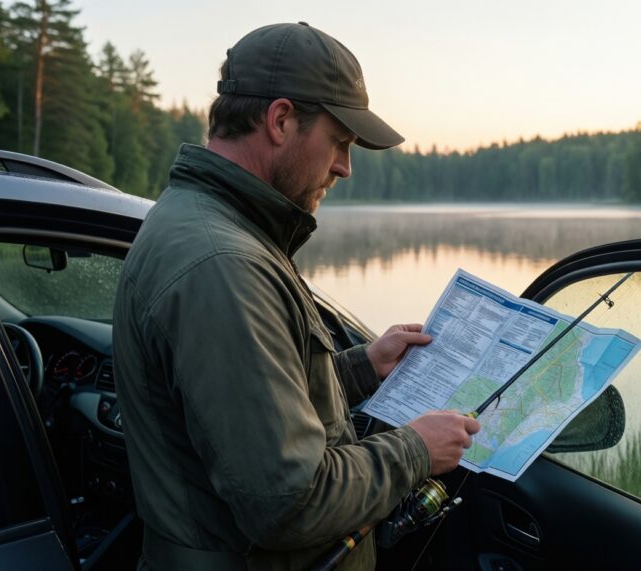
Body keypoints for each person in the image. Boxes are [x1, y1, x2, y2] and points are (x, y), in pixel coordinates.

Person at [112, 22, 481, 571]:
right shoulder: (224, 265)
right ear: (281, 120)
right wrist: (416, 450)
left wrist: (360, 368)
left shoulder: (210, 225)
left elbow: (251, 406)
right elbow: (290, 502)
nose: (345, 167)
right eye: (339, 143)